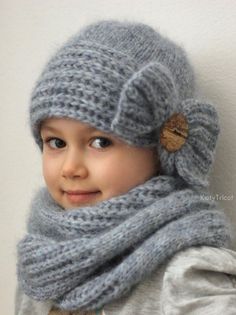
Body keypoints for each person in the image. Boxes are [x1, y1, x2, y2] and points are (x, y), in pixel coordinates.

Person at [15, 20, 236, 315]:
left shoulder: (184, 277)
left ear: (162, 147)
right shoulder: (41, 260)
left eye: (100, 143)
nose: (70, 168)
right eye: (56, 143)